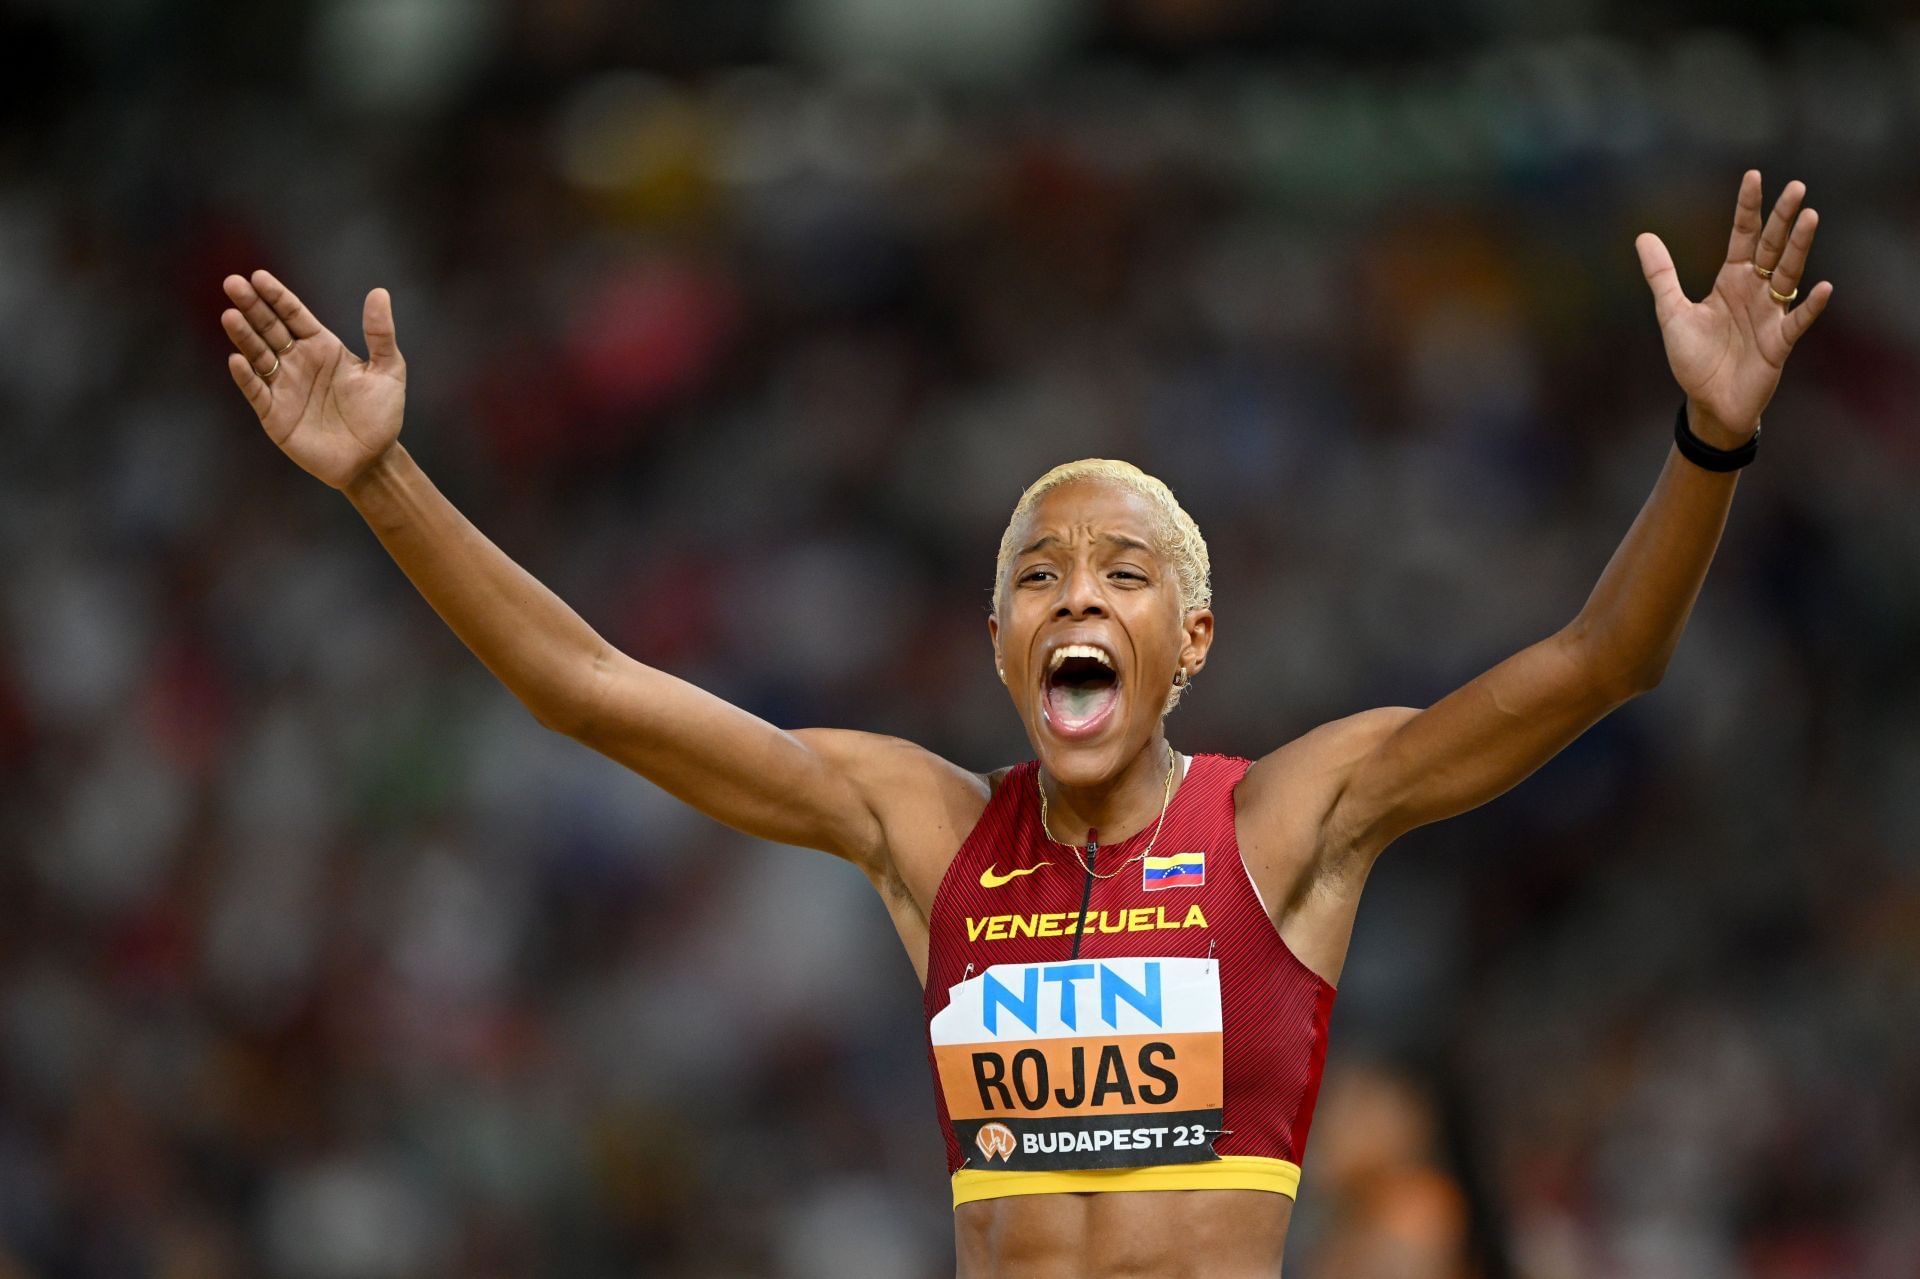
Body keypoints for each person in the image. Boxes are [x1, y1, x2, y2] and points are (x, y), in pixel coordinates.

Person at [217, 171, 1829, 1278]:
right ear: (997, 642)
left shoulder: (1292, 820)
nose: (1073, 597)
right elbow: (585, 687)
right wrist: (382, 480)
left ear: (1190, 639)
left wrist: (1707, 443)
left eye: (1122, 573)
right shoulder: (921, 829)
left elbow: (1603, 661)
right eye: (1035, 576)